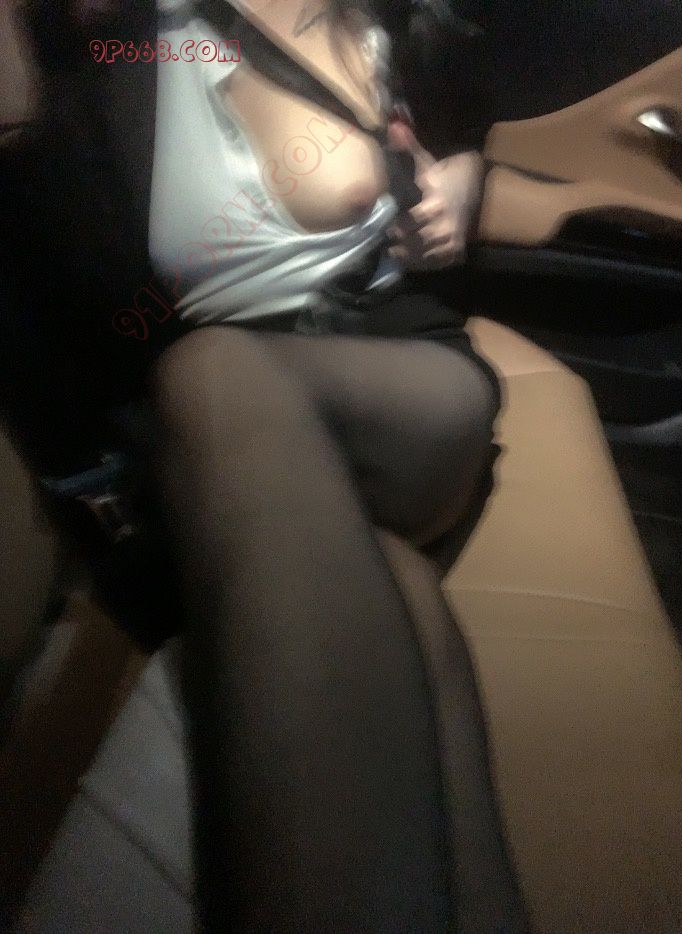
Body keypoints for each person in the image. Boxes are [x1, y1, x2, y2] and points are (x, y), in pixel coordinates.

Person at [15, 0, 529, 928]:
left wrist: (464, 176)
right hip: (241, 446)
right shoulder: (129, 44)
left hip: (402, 386)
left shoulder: (387, 18)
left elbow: (465, 123)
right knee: (401, 594)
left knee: (208, 369)